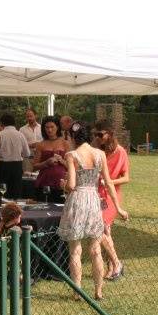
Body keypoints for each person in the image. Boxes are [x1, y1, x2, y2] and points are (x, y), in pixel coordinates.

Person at [58, 121, 127, 301]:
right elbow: (109, 182)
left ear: (73, 137)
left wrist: (64, 185)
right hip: (94, 200)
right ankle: (98, 291)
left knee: (75, 250)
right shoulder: (100, 154)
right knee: (95, 249)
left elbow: (71, 185)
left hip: (78, 200)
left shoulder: (71, 155)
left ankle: (77, 291)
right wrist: (118, 207)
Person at [94, 120, 130, 280]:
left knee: (103, 229)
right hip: (96, 194)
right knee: (106, 231)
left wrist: (108, 182)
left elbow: (126, 178)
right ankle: (112, 266)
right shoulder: (97, 149)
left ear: (110, 134)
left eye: (100, 134)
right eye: (95, 134)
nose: (98, 137)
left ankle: (116, 263)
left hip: (111, 195)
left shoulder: (120, 151)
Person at [0, 113, 30, 199]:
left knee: (2, 193)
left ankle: (0, 210)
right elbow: (27, 153)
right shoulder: (20, 135)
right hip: (17, 167)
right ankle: (15, 210)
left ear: (2, 123)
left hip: (3, 166)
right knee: (16, 192)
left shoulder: (0, 135)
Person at [33, 116, 70, 203]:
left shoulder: (65, 143)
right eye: (47, 127)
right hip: (45, 182)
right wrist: (46, 162)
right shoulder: (40, 144)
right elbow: (34, 166)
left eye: (52, 127)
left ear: (57, 127)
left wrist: (61, 160)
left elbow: (72, 166)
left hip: (61, 183)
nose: (49, 130)